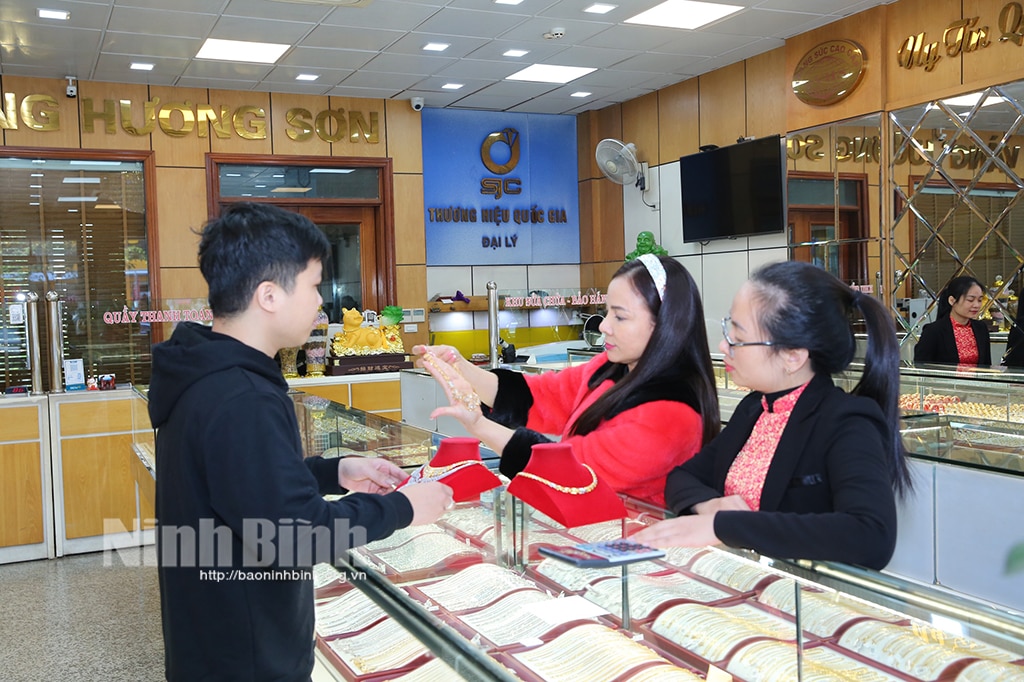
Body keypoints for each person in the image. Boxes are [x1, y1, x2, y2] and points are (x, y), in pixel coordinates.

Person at [148, 203, 452, 682]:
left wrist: (333, 472)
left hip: (213, 639)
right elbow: (295, 533)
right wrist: (405, 508)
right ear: (269, 295)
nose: (320, 303)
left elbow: (241, 485)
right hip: (247, 657)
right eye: (313, 285)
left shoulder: (208, 375)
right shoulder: (242, 396)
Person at [633, 261, 912, 571]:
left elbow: (870, 536)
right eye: (729, 330)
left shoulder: (847, 421)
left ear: (792, 356)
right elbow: (684, 477)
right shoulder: (754, 408)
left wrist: (724, 526)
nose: (724, 346)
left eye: (738, 337)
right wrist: (711, 505)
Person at [412, 254, 720, 508]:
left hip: (636, 557)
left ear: (665, 324)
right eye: (606, 312)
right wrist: (461, 367)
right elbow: (544, 396)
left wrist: (479, 426)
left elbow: (573, 472)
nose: (604, 327)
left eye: (620, 317)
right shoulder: (612, 367)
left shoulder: (673, 412)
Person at [913, 275, 991, 367]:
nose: (976, 305)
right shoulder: (933, 331)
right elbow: (921, 366)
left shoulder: (981, 328)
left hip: (976, 381)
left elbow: (986, 366)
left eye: (979, 300)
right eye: (970, 300)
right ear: (952, 300)